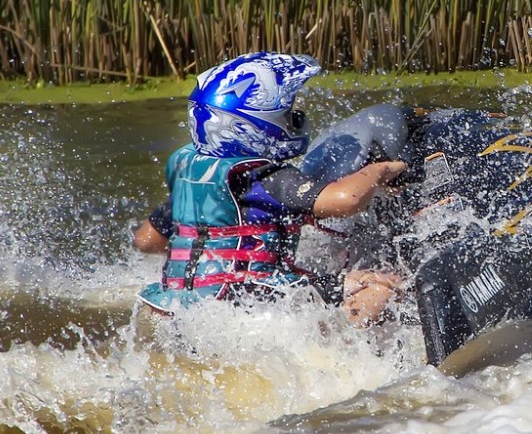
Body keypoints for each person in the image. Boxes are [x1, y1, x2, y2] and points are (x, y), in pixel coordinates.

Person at [132, 51, 405, 326]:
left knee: (340, 280)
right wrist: (379, 170)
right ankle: (339, 353)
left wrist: (210, 261)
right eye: (287, 115)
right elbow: (347, 199)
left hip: (179, 307)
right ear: (256, 125)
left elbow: (146, 240)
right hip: (249, 304)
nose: (294, 120)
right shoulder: (268, 178)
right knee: (381, 286)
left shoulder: (194, 181)